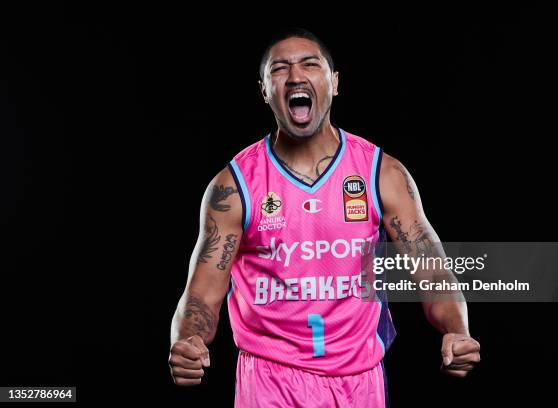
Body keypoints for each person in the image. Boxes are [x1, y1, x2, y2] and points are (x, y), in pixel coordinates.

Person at [169, 28, 480, 407]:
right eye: (280, 69)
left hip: (359, 380)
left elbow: (432, 269)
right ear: (264, 90)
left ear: (334, 83)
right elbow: (201, 294)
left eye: (310, 65)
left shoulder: (380, 173)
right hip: (269, 380)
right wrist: (187, 341)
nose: (296, 77)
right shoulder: (234, 186)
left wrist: (457, 330)